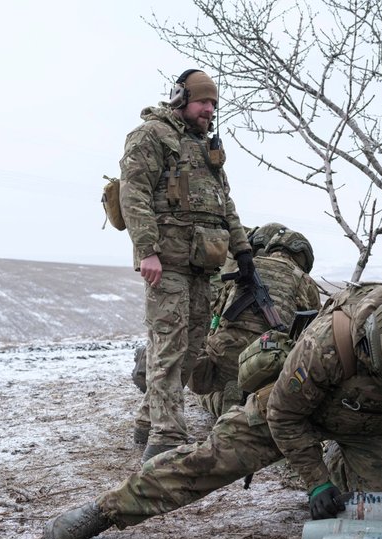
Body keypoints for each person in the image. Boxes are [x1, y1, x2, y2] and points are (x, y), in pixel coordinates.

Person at [43, 282, 382, 539]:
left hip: (376, 431)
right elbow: (284, 414)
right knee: (207, 462)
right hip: (295, 414)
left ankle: (346, 470)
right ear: (364, 349)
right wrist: (315, 481)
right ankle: (105, 511)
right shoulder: (326, 344)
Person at [121, 69, 255, 462]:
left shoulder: (206, 147)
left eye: (214, 104)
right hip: (168, 261)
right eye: (203, 102)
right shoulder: (150, 136)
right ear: (181, 99)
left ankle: (148, 420)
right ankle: (165, 438)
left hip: (204, 264)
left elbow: (224, 203)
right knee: (169, 346)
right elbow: (134, 194)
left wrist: (243, 251)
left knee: (193, 347)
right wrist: (147, 251)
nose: (209, 110)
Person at [130, 222, 291, 441]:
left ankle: (151, 366)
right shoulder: (292, 276)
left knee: (191, 368)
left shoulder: (238, 260)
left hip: (219, 353)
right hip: (261, 362)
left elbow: (215, 318)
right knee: (182, 359)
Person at [189, 226, 322, 418]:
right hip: (268, 365)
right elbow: (312, 332)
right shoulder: (305, 281)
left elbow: (216, 315)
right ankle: (249, 405)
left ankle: (226, 402)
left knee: (207, 392)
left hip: (226, 357)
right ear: (304, 257)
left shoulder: (244, 266)